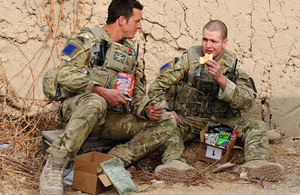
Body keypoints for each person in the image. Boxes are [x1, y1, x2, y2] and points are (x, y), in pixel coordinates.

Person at [39, 0, 180, 194]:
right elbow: (65, 74)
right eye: (137, 20)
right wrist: (100, 90)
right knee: (96, 101)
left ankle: (114, 161)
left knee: (168, 120)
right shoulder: (89, 38)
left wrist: (147, 110)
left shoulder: (130, 53)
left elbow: (136, 93)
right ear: (122, 20)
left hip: (111, 120)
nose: (140, 26)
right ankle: (55, 164)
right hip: (81, 111)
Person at [148, 20, 284, 182]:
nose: (208, 45)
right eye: (205, 39)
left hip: (221, 124)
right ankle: (175, 164)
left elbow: (248, 100)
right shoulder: (189, 60)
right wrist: (165, 111)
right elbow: (156, 87)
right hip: (188, 121)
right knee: (167, 125)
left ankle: (256, 163)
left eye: (214, 41)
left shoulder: (232, 66)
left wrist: (222, 80)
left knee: (256, 125)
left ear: (224, 43)